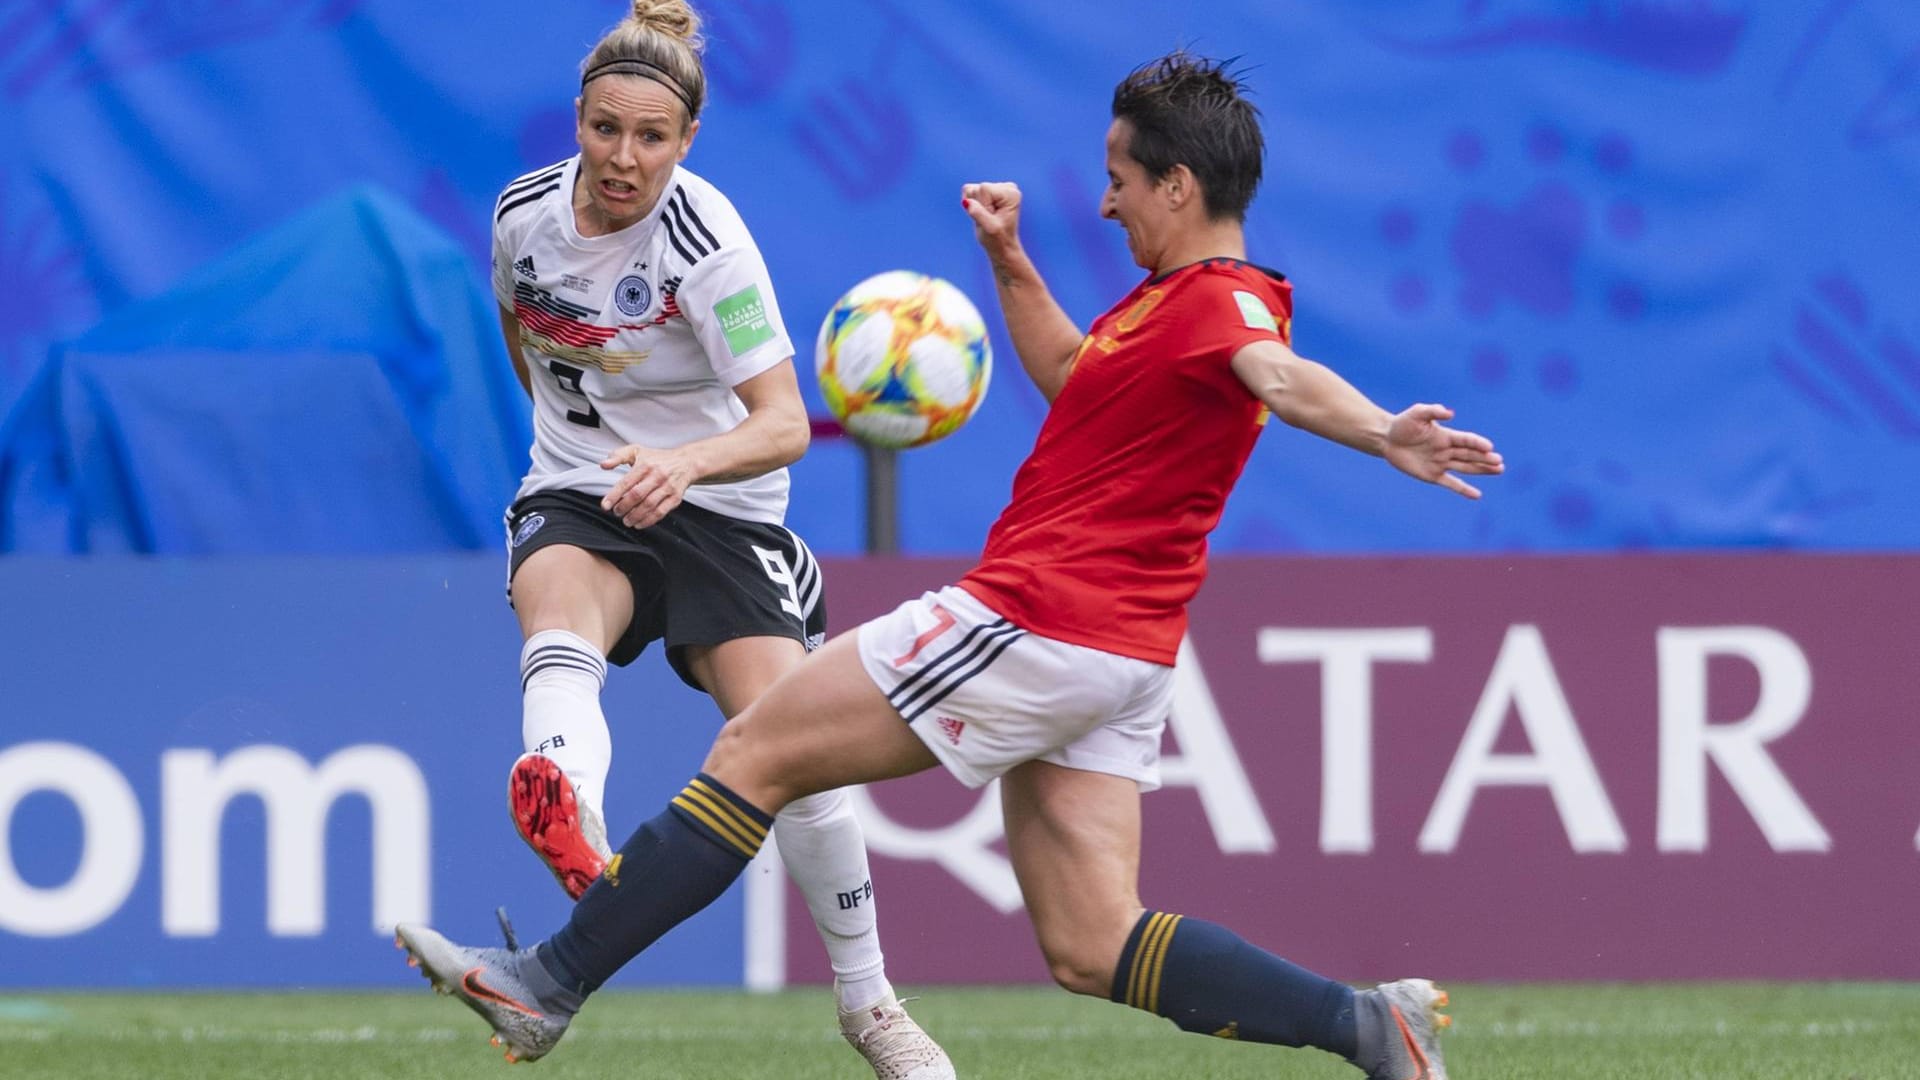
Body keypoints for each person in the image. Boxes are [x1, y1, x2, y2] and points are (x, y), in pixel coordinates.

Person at [401, 50, 1501, 1079]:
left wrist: (1382, 433)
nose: (1107, 202)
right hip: (1123, 658)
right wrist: (1009, 263)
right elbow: (1076, 375)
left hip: (1036, 618)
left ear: (1177, 185)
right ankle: (1369, 1025)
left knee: (758, 747)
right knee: (1090, 941)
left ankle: (546, 983)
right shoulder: (1169, 312)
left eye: (1119, 180)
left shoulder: (1225, 303)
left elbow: (1279, 375)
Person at [478, 2, 951, 1075]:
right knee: (557, 609)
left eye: (652, 138)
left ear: (687, 142)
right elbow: (519, 328)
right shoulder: (518, 215)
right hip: (584, 489)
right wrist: (580, 452)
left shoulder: (709, 246)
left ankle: (869, 1005)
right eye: (606, 130)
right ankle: (572, 813)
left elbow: (783, 423)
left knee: (798, 747)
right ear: (579, 122)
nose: (623, 159)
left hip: (722, 513)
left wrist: (681, 463)